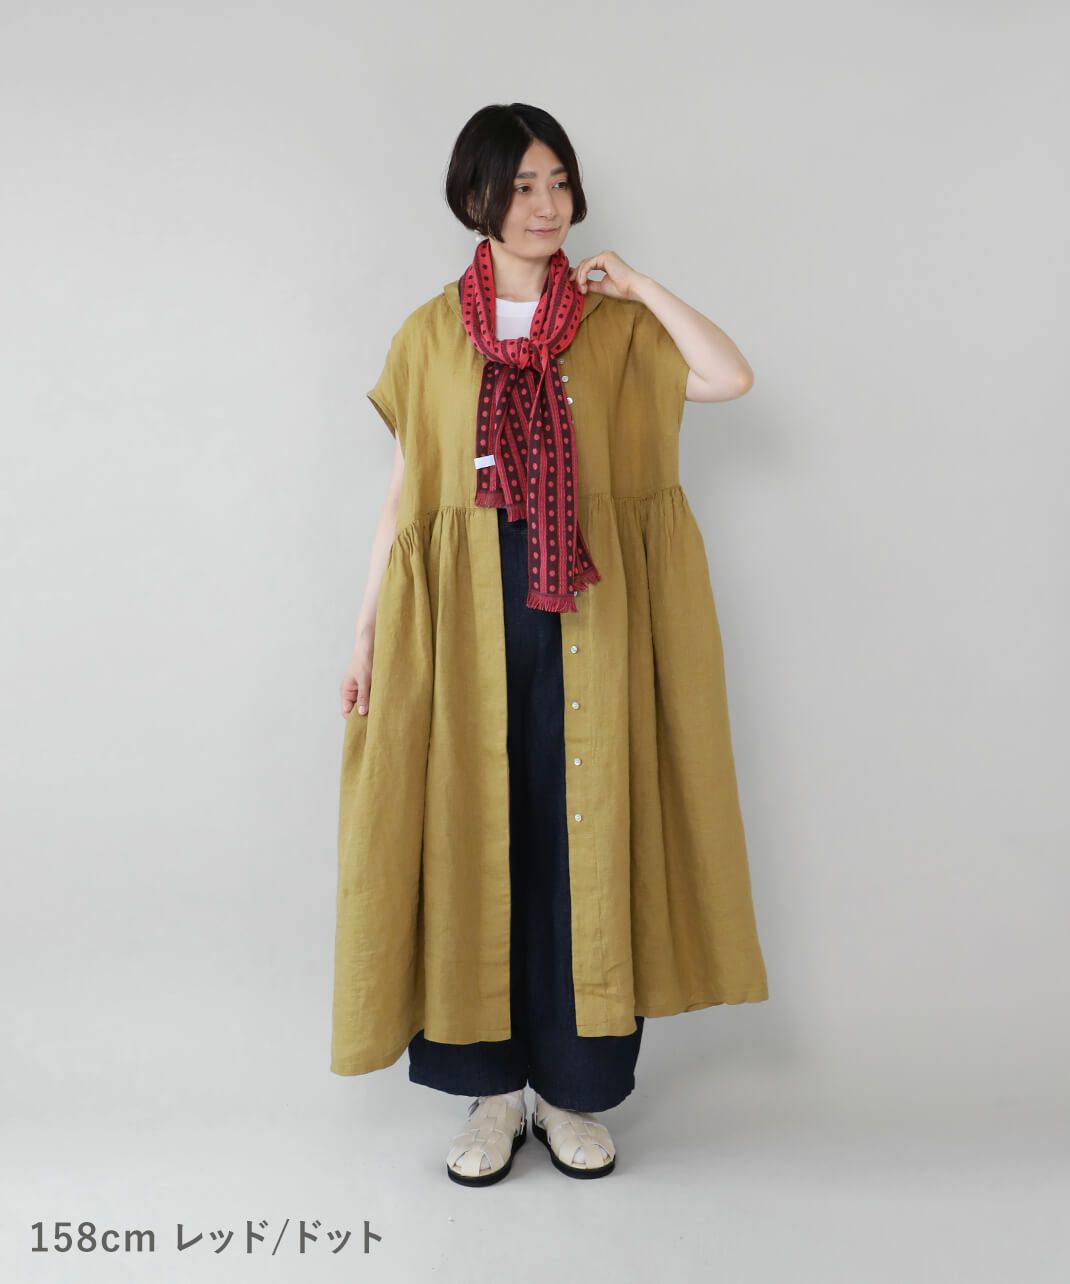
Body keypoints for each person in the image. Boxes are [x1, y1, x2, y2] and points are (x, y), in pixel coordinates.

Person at [332, 103, 770, 1186]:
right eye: (522, 185)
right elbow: (405, 496)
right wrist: (366, 628)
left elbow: (727, 377)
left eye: (558, 182)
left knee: (581, 845)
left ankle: (571, 1092)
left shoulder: (612, 327)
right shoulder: (429, 334)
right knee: (474, 838)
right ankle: (491, 1098)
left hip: (590, 621)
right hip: (464, 630)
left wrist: (644, 286)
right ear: (474, 197)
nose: (545, 205)